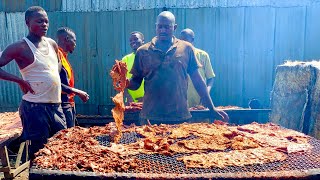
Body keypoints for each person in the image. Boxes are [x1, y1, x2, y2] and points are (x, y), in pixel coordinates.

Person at [127, 11, 229, 124]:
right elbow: (135, 83)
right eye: (160, 27)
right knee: (147, 142)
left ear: (174, 27)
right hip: (150, 117)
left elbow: (197, 80)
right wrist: (124, 82)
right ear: (155, 27)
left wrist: (211, 107)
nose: (163, 30)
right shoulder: (143, 52)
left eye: (167, 27)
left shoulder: (186, 48)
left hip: (180, 116)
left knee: (180, 141)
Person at [0, 6, 66, 159]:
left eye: (46, 21)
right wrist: (19, 80)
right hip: (35, 108)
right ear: (27, 22)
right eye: (39, 21)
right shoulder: (20, 47)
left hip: (56, 106)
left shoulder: (52, 44)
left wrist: (53, 76)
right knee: (37, 152)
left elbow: (58, 62)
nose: (44, 25)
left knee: (61, 146)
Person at [56, 27, 89, 128]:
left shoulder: (63, 57)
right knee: (66, 138)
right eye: (74, 40)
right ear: (66, 39)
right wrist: (78, 92)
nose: (75, 44)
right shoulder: (57, 56)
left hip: (69, 103)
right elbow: (55, 83)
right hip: (62, 104)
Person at [180, 28, 215, 108]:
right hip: (182, 103)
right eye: (181, 40)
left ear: (192, 40)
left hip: (200, 101)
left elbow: (211, 78)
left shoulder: (203, 55)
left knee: (201, 120)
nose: (183, 43)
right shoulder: (177, 57)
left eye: (185, 40)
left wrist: (206, 94)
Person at [122, 31, 145, 105]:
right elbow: (121, 80)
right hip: (130, 102)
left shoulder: (149, 57)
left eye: (136, 39)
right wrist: (127, 96)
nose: (133, 42)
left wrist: (147, 97)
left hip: (148, 102)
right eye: (131, 40)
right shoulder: (125, 59)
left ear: (143, 41)